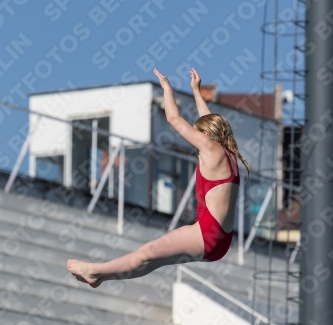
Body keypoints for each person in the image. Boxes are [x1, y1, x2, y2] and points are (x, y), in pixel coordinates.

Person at [67, 68, 250, 288]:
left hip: (205, 234)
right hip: (222, 242)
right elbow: (209, 121)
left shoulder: (210, 148)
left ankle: (95, 270)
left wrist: (166, 88)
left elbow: (173, 118)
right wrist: (196, 91)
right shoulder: (229, 155)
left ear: (206, 135)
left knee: (149, 252)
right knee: (151, 261)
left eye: (197, 134)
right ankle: (102, 277)